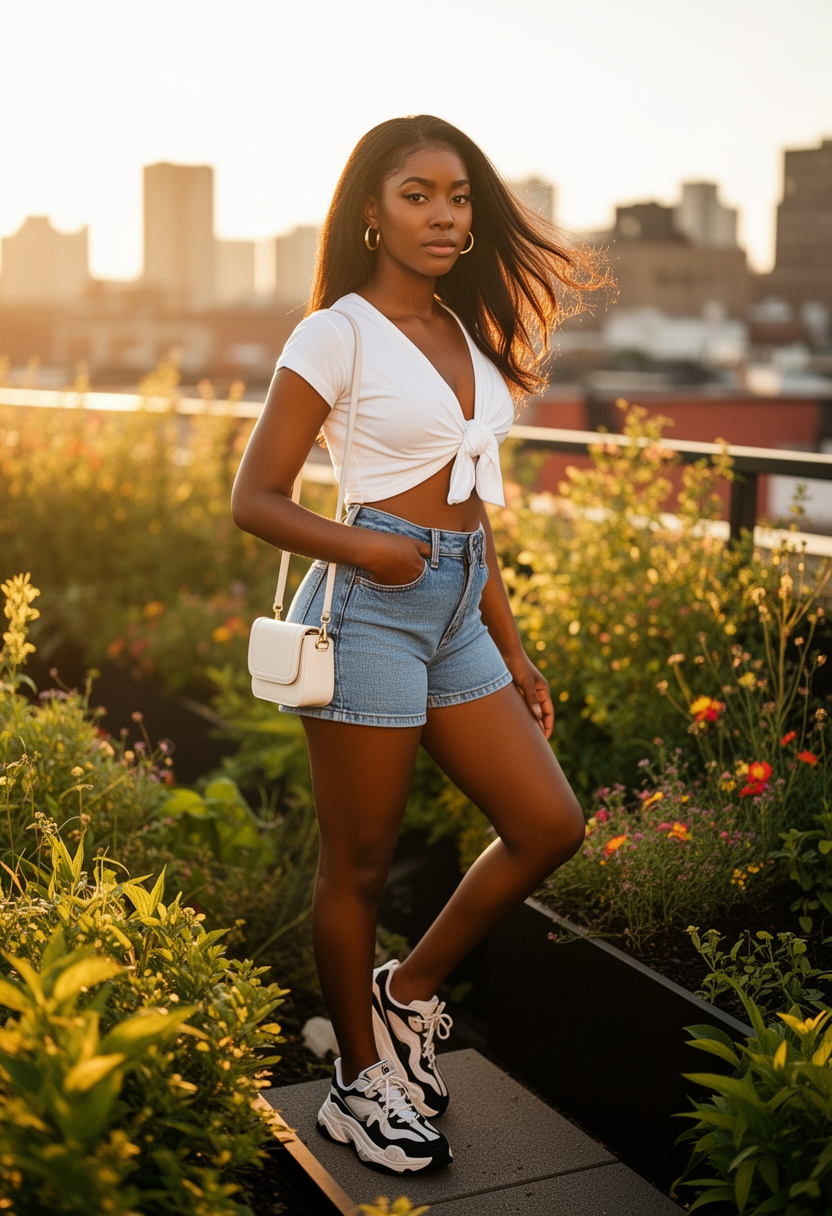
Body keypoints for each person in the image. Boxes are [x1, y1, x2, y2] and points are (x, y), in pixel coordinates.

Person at [231, 115, 610, 1175]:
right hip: (369, 606)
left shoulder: (466, 331)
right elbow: (252, 497)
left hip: (456, 609)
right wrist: (370, 548)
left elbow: (473, 509)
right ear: (368, 211)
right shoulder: (335, 333)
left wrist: (515, 646)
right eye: (417, 196)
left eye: (458, 198)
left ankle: (405, 996)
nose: (444, 216)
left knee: (547, 822)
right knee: (357, 863)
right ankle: (358, 1083)